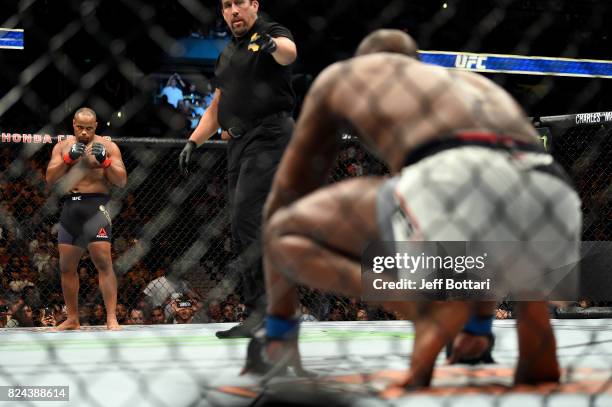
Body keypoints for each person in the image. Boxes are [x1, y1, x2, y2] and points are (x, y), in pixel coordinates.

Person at [245, 29, 582, 389]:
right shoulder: (466, 82)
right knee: (473, 223)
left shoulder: (344, 77)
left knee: (282, 229)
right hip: (553, 194)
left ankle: (418, 310)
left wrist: (279, 321)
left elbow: (289, 190)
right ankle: (493, 329)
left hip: (452, 177)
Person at [178, 0, 297, 338]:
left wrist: (273, 45)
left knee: (247, 217)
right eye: (226, 5)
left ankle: (270, 308)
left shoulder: (269, 32)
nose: (233, 11)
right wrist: (193, 141)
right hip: (239, 142)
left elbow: (289, 53)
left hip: (271, 134)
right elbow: (217, 107)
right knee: (241, 225)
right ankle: (258, 310)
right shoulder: (227, 54)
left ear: (254, 6)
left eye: (239, 3)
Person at [46, 107, 127, 331]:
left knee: (103, 262)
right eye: (80, 128)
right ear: (73, 124)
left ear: (96, 126)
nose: (84, 133)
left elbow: (121, 181)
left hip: (96, 206)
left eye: (89, 129)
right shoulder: (63, 146)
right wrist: (67, 158)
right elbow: (50, 178)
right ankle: (72, 318)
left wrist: (106, 162)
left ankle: (111, 318)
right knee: (66, 267)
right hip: (71, 206)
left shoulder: (108, 146)